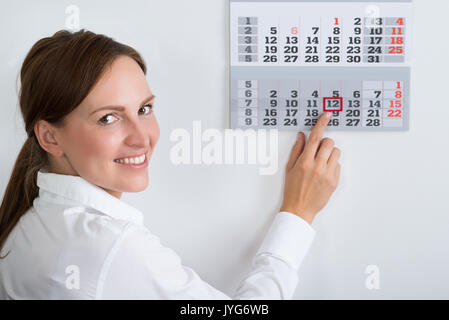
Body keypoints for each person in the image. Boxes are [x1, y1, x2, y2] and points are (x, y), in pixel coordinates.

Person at [0, 29, 340, 299]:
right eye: (108, 118)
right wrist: (297, 214)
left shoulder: (29, 225)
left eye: (144, 109)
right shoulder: (112, 249)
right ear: (50, 137)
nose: (141, 137)